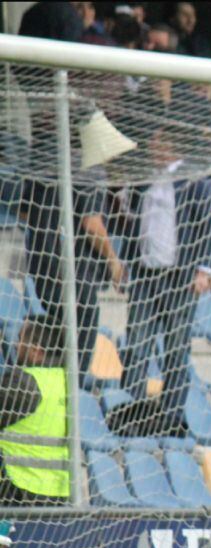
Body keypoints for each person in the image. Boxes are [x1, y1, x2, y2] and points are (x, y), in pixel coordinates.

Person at [119, 125, 211, 437]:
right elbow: (129, 218)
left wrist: (204, 270)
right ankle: (129, 408)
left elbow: (210, 226)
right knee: (136, 343)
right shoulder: (143, 178)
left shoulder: (195, 181)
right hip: (145, 275)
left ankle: (171, 415)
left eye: (156, 138)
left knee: (175, 349)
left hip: (180, 277)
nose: (151, 143)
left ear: (171, 146)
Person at [22, 116, 126, 384]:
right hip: (72, 271)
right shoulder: (89, 169)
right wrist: (113, 261)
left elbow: (24, 211)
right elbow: (92, 223)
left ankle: (51, 389)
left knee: (58, 333)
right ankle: (72, 395)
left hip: (40, 267)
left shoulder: (43, 162)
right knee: (82, 332)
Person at [0, 317, 70, 505]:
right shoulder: (65, 379)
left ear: (36, 350)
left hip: (17, 488)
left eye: (21, 339)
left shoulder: (24, 383)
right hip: (60, 490)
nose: (15, 345)